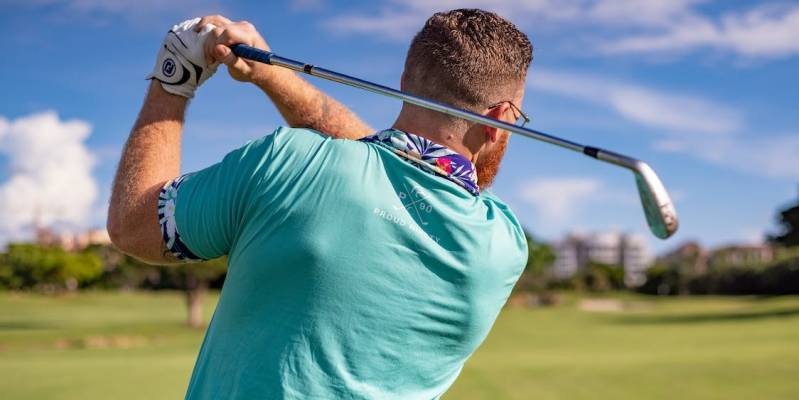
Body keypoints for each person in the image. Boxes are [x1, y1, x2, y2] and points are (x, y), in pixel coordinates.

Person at [108, 8, 532, 400]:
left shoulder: (287, 161)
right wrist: (270, 75)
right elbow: (392, 163)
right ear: (502, 119)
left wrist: (175, 74)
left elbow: (133, 223)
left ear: (404, 83)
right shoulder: (503, 246)